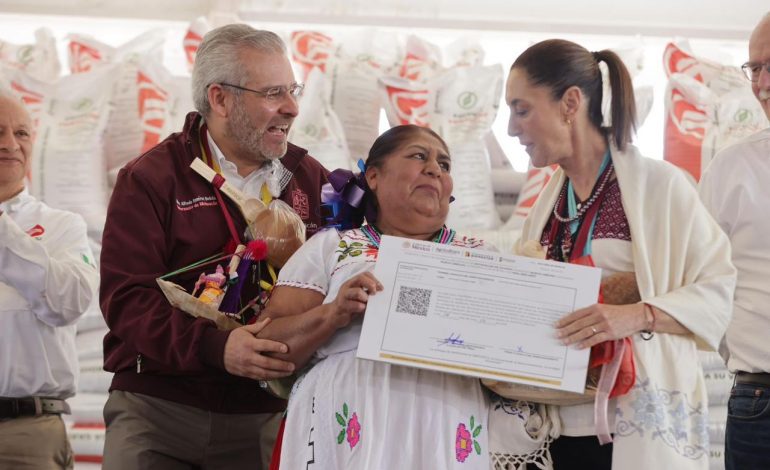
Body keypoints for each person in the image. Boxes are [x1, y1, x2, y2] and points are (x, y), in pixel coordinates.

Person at [99, 24, 329, 469]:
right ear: (220, 98)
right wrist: (215, 347)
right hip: (159, 409)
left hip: (267, 415)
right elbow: (126, 299)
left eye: (293, 89)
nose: (292, 107)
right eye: (273, 93)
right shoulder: (152, 178)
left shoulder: (309, 179)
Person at [503, 39, 736, 469]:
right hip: (558, 424)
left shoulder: (661, 187)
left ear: (570, 103)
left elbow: (719, 289)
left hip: (636, 419)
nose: (513, 129)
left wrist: (638, 314)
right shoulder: (546, 205)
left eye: (522, 110)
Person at [253, 124, 493, 469]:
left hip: (443, 431)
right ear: (375, 177)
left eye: (444, 164)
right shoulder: (332, 246)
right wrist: (333, 314)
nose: (434, 169)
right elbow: (267, 343)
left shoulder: (484, 256)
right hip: (344, 430)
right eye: (418, 156)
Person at [0, 90, 99, 469]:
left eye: (22, 134)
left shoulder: (62, 226)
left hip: (25, 435)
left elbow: (68, 301)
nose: (11, 144)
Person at [698, 12, 770, 470]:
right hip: (761, 400)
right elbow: (699, 280)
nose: (761, 82)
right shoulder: (733, 168)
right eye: (755, 67)